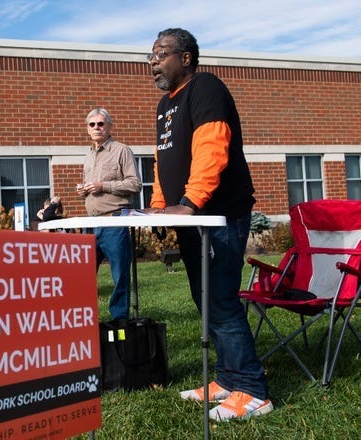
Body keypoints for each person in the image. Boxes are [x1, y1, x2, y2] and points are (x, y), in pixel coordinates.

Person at [145, 28, 272, 421]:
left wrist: (190, 203)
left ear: (185, 57)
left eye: (161, 53)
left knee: (220, 300)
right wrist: (159, 207)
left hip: (219, 216)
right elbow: (161, 160)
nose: (153, 62)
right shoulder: (166, 104)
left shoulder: (206, 88)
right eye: (150, 55)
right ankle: (226, 379)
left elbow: (212, 149)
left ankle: (252, 390)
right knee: (205, 301)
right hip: (190, 217)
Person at [77, 108, 141, 320]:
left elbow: (135, 184)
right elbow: (92, 190)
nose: (96, 128)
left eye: (100, 124)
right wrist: (84, 191)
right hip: (91, 225)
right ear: (87, 129)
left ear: (109, 126)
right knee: (83, 277)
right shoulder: (88, 155)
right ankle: (86, 320)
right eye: (92, 124)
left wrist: (104, 186)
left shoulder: (122, 151)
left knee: (120, 276)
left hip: (115, 221)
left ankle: (119, 322)